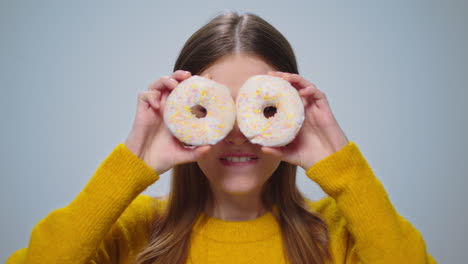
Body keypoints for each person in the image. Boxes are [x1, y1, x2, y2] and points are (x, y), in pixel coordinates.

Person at [6, 12, 436, 264]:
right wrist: (132, 159)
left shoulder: (338, 236)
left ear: (294, 112)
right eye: (212, 109)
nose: (236, 134)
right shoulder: (130, 233)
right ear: (180, 111)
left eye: (262, 110)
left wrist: (341, 164)